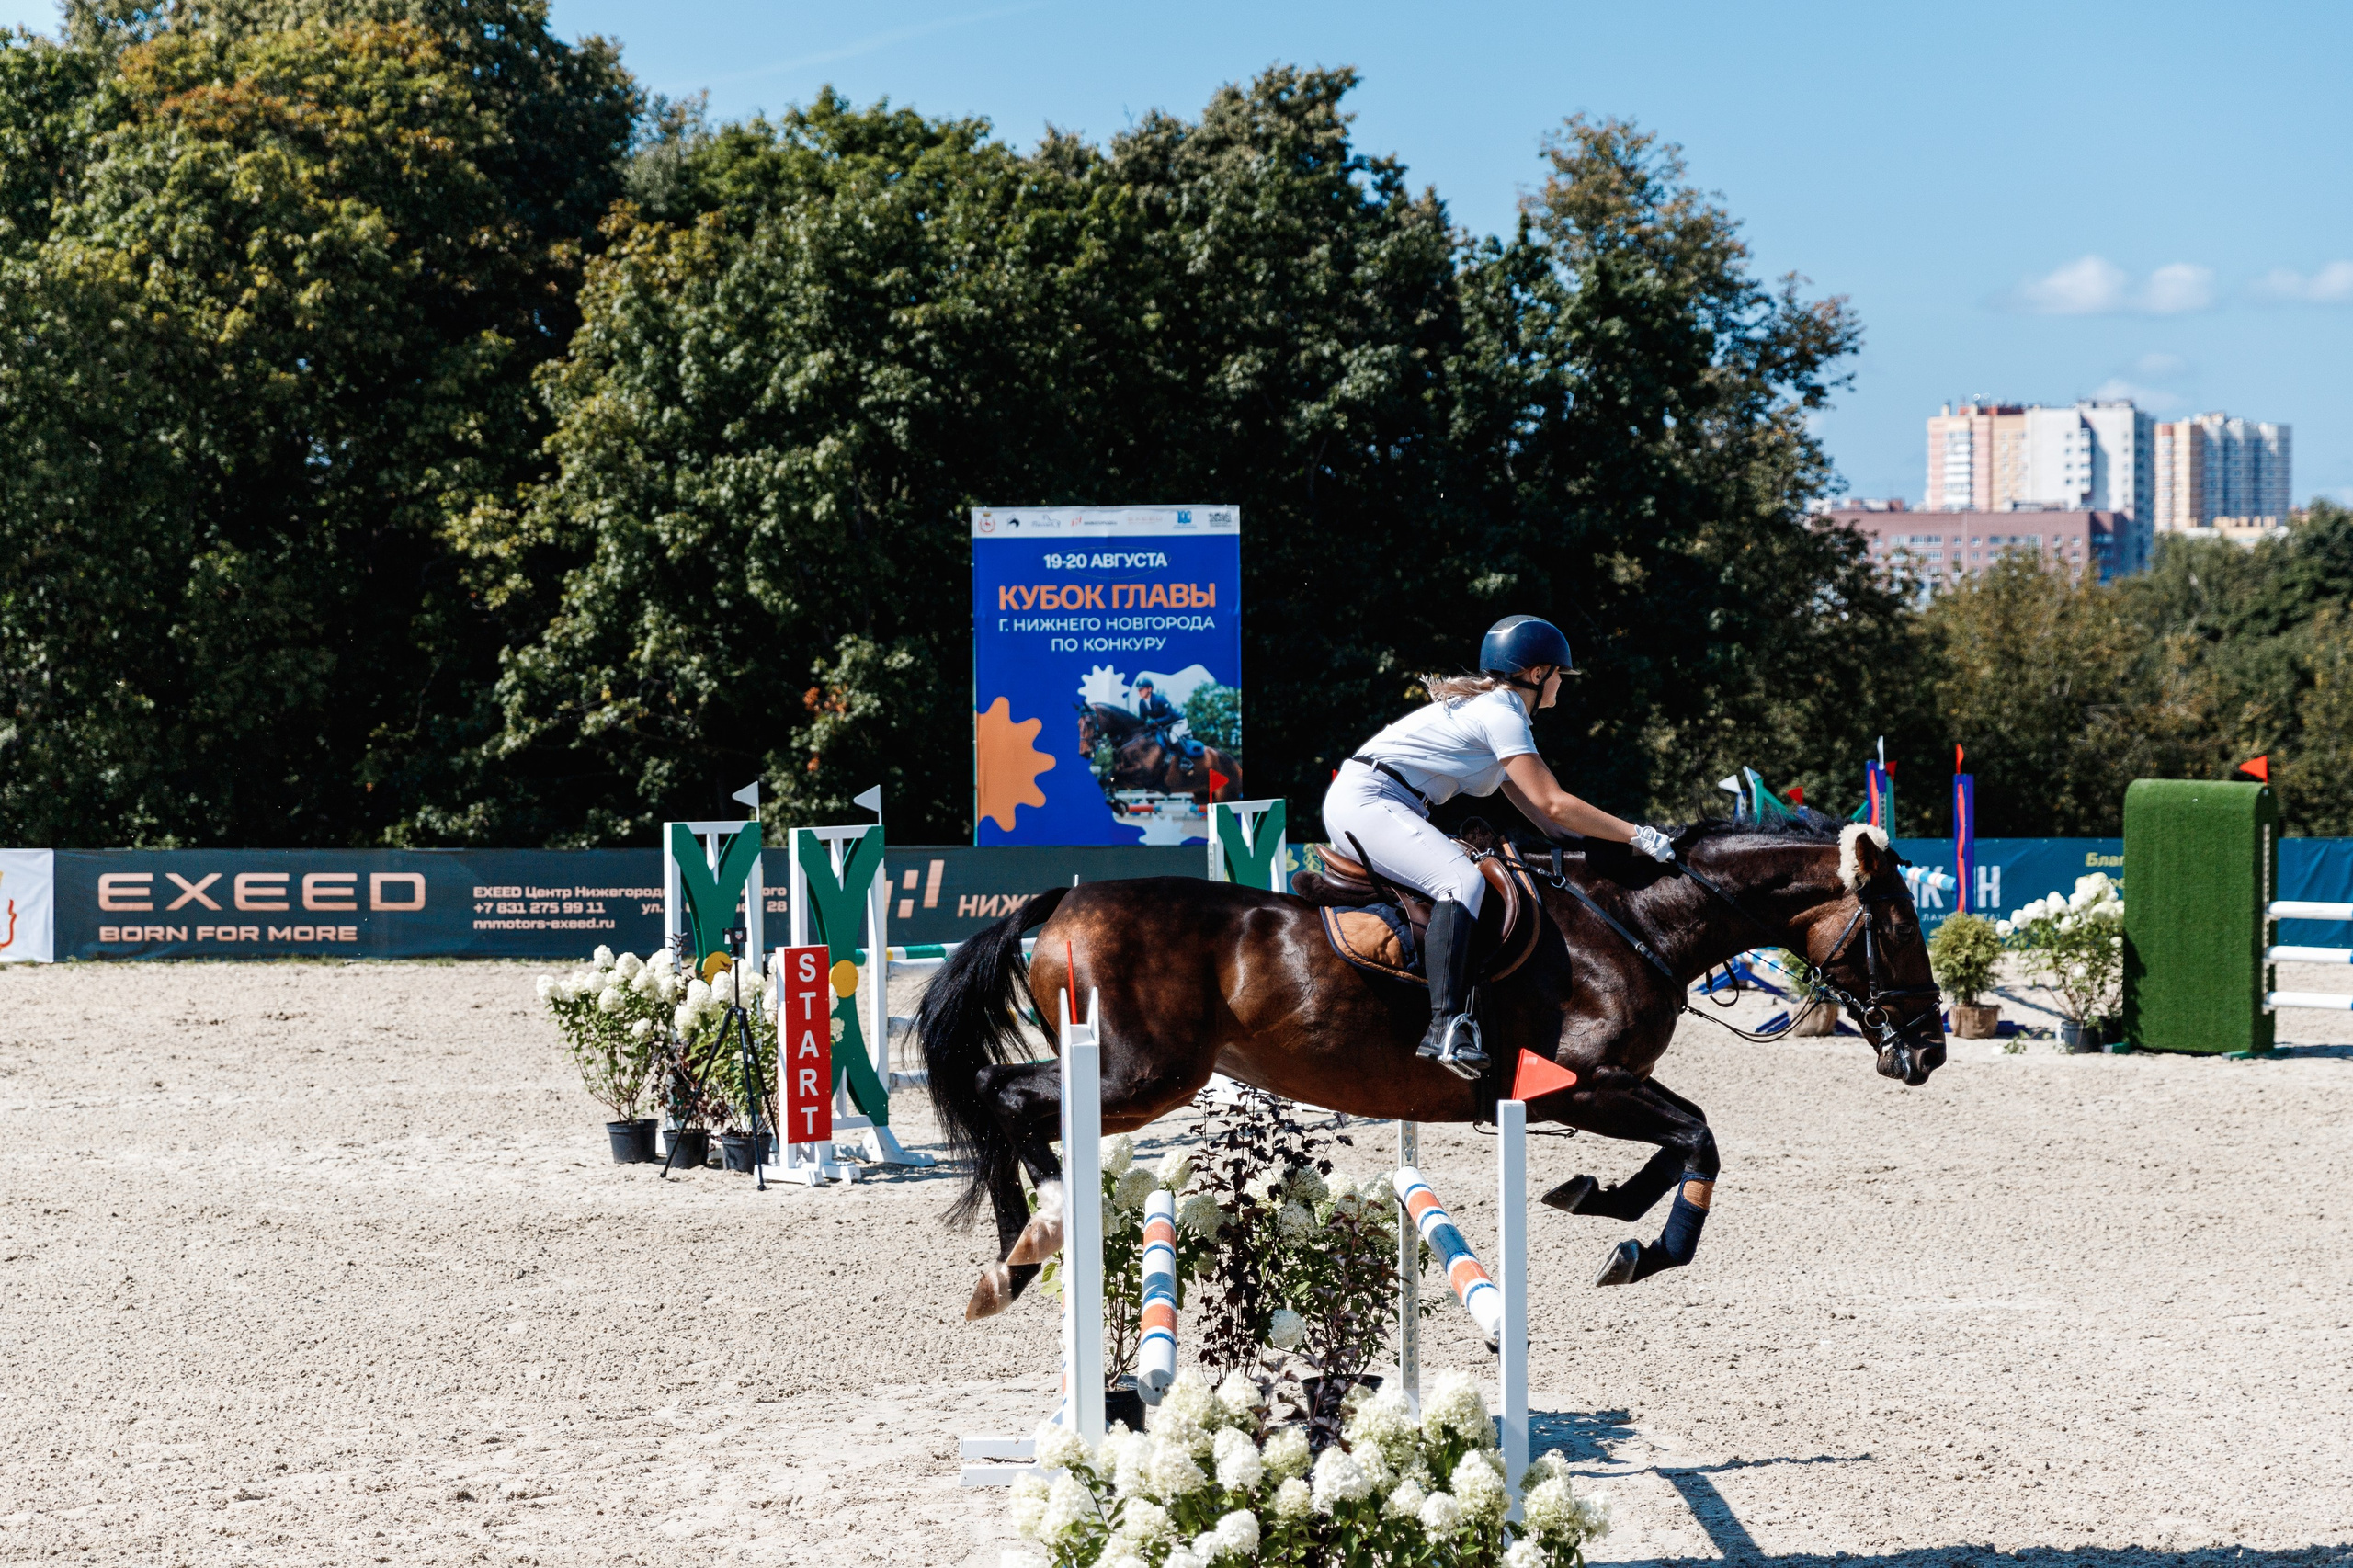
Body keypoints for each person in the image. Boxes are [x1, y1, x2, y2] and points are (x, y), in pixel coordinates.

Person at [1322, 615, 1676, 1078]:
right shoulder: (1502, 714)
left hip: (1386, 801)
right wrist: (1638, 834)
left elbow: (1549, 819)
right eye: (1559, 676)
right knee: (1460, 882)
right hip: (1369, 800)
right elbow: (1555, 801)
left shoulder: (1499, 710)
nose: (1560, 686)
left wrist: (1612, 850)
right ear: (1536, 674)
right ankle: (1447, 1028)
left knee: (1470, 878)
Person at [1133, 678, 1202, 760]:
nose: (1139, 691)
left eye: (1141, 689)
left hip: (1178, 722)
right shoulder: (1142, 703)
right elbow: (1142, 719)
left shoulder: (1160, 699)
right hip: (1165, 725)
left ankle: (1185, 759)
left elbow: (1172, 715)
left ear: (1149, 689)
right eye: (1138, 689)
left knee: (1173, 737)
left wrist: (1156, 721)